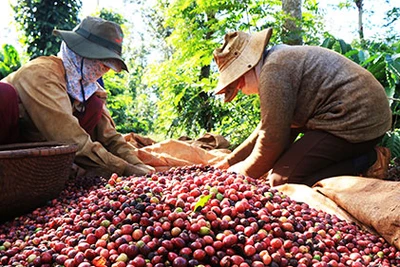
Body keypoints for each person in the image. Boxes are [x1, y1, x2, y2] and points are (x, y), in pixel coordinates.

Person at [213, 28, 392, 187]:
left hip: (355, 121)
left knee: (283, 180)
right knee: (278, 167)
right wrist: (230, 162)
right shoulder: (275, 62)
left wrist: (240, 177)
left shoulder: (274, 71)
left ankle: (367, 160)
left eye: (238, 82)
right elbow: (267, 127)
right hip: (349, 115)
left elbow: (271, 141)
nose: (240, 89)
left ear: (248, 66)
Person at [0, 16, 154, 177]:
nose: (106, 70)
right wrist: (122, 169)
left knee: (94, 105)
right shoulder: (42, 74)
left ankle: (47, 171)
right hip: (10, 144)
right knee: (4, 94)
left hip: (38, 153)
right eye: (103, 63)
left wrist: (137, 164)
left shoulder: (88, 89)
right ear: (81, 53)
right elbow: (67, 135)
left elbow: (109, 136)